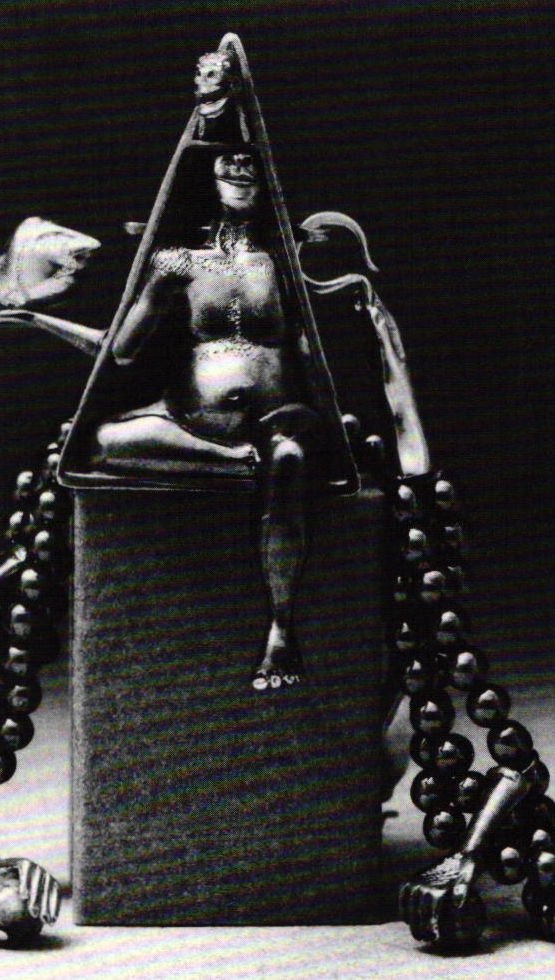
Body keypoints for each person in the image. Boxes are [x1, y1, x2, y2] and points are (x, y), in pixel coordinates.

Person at [90, 152, 317, 692]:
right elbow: (120, 350)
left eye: (249, 166)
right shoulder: (177, 262)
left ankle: (280, 629)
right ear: (204, 183)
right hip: (190, 422)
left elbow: (311, 351)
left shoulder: (284, 259)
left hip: (277, 419)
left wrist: (322, 413)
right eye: (227, 166)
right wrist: (25, 315)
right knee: (105, 439)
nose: (239, 171)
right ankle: (233, 461)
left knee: (289, 458)